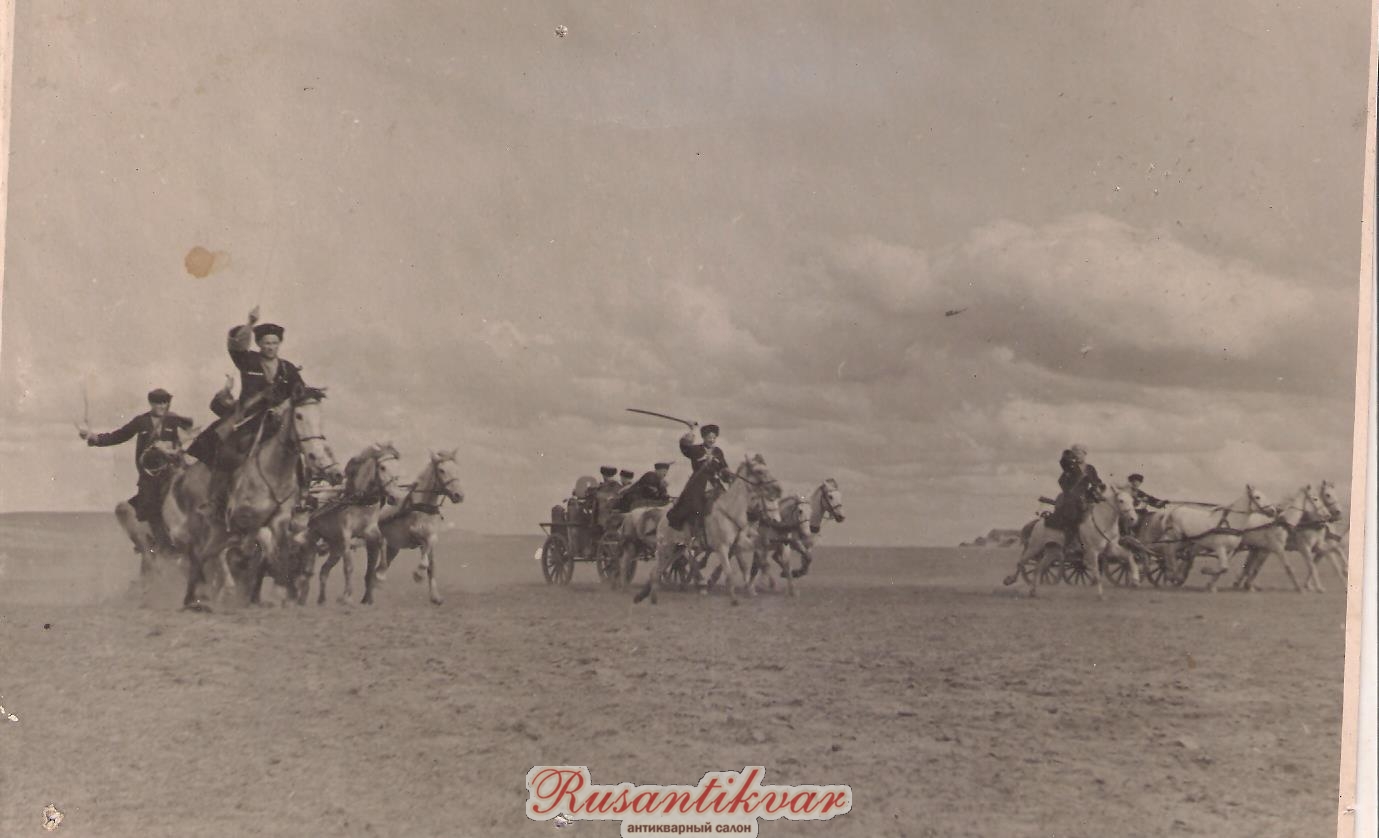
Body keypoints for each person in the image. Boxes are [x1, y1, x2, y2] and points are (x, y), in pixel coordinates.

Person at [187, 307, 309, 520]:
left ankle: (302, 498)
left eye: (274, 343)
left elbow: (301, 393)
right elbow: (235, 345)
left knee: (298, 453)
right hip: (248, 421)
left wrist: (283, 406)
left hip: (277, 423)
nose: (270, 347)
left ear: (279, 344)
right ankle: (215, 502)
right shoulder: (248, 360)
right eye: (266, 343)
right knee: (227, 453)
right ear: (259, 344)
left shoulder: (288, 369)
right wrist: (250, 323)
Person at [79, 388, 194, 551]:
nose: (161, 406)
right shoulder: (141, 421)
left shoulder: (174, 420)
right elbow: (119, 435)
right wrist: (95, 438)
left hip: (171, 472)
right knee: (147, 509)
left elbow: (189, 434)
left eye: (164, 403)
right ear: (151, 403)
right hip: (148, 475)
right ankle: (156, 544)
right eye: (158, 403)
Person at [664, 423, 728, 532]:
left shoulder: (718, 452)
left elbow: (723, 467)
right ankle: (694, 532)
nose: (711, 440)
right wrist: (691, 430)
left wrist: (727, 472)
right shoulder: (696, 449)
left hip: (714, 483)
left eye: (714, 438)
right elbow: (685, 447)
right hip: (697, 483)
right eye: (709, 437)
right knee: (694, 506)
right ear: (703, 437)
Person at [1047, 444, 1104, 552]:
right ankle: (1071, 542)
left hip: (1086, 496)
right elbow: (1062, 473)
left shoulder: (1090, 468)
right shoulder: (1069, 466)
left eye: (1078, 452)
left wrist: (1098, 489)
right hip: (1071, 497)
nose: (1076, 455)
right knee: (1072, 514)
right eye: (1074, 453)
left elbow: (1096, 482)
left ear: (1084, 454)